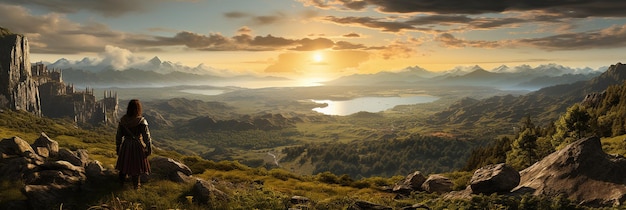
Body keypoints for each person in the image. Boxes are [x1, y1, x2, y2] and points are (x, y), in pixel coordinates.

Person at [115, 99, 152, 189]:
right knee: (136, 167)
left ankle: (120, 184)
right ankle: (136, 186)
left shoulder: (123, 120)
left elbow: (119, 136)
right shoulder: (141, 121)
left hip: (126, 145)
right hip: (137, 145)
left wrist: (118, 147)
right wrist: (149, 148)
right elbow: (147, 137)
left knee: (124, 165)